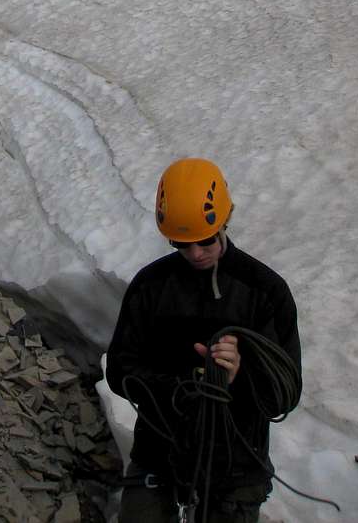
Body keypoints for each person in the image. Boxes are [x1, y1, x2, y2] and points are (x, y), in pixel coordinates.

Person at [106, 158, 302, 523]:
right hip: (160, 451)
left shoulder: (264, 292)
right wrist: (187, 385)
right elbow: (120, 370)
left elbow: (284, 394)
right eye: (181, 243)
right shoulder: (151, 288)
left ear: (223, 223)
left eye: (204, 241)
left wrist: (241, 371)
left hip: (237, 462)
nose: (195, 253)